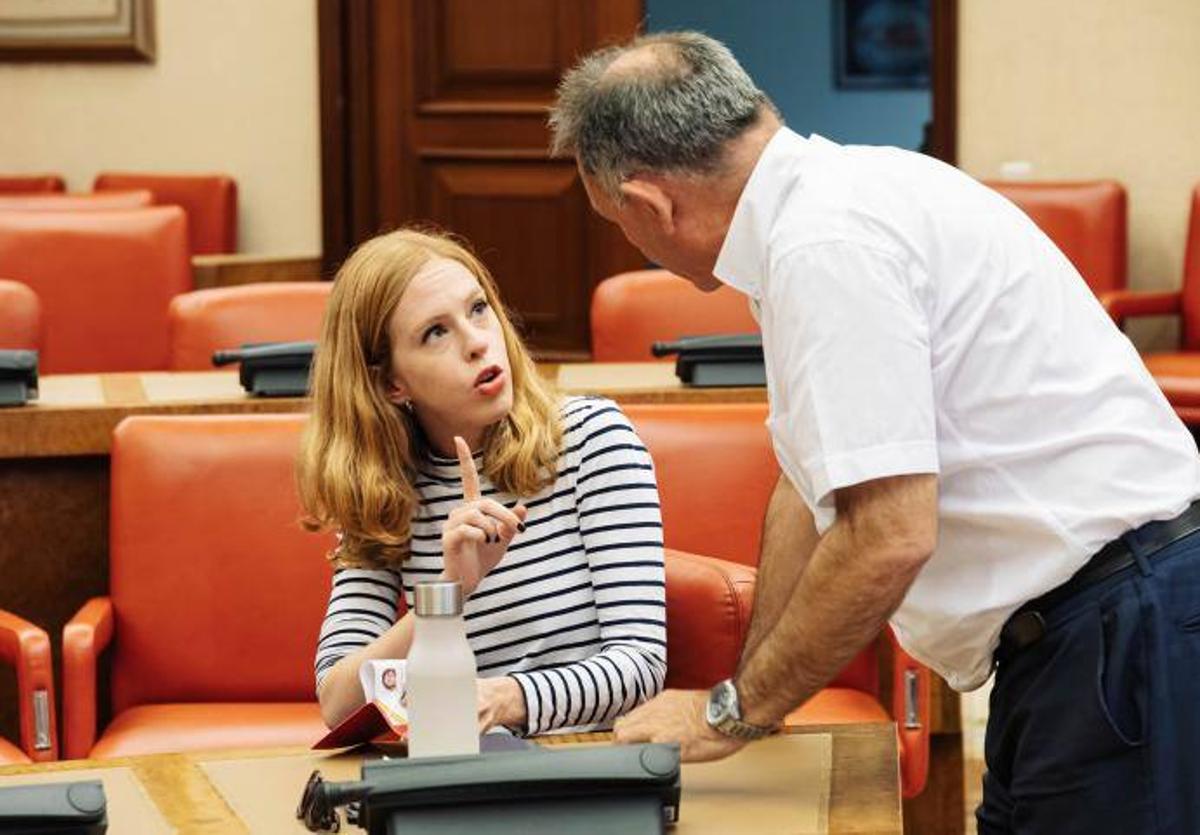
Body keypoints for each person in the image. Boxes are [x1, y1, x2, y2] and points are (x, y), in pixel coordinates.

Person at [551, 31, 1200, 834]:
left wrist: (731, 711)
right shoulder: (836, 200)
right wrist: (757, 696)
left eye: (617, 220)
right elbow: (804, 487)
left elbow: (889, 533)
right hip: (1092, 621)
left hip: (1118, 621)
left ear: (651, 203)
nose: (630, 237)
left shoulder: (825, 246)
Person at [298, 228, 666, 738]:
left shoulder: (591, 438)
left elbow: (640, 667)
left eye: (477, 309)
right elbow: (338, 702)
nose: (476, 342)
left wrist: (504, 700)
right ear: (390, 383)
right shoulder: (388, 492)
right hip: (466, 768)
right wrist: (448, 592)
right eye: (435, 332)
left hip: (586, 759)